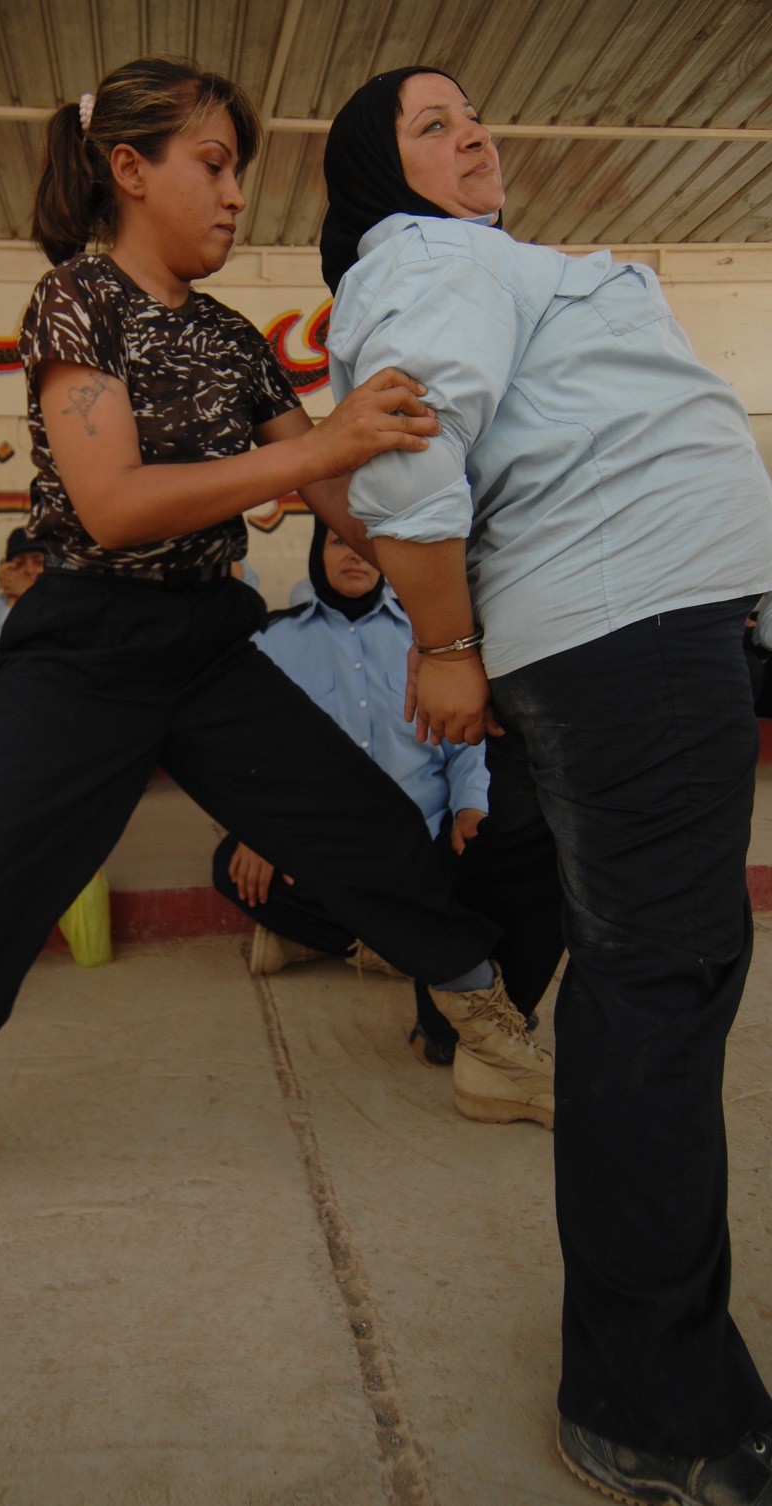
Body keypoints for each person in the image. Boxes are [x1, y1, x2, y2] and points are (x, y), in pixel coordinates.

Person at [0, 57, 554, 1279]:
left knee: (362, 829)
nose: (239, 193)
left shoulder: (236, 341)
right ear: (128, 171)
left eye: (238, 167)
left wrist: (464, 623)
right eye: (215, 163)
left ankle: (491, 1040)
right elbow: (114, 502)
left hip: (204, 639)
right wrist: (329, 445)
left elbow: (341, 501)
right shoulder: (74, 300)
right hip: (81, 648)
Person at [320, 65, 772, 1506]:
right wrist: (444, 642)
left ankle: (650, 1374)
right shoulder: (426, 256)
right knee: (659, 985)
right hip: (620, 636)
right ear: (378, 175)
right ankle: (649, 1402)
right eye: (433, 123)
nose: (475, 135)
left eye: (475, 115)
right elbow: (403, 453)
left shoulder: (480, 259)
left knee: (667, 978)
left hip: (649, 625)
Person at [213, 518, 562, 1065]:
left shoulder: (430, 643)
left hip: (422, 843)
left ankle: (344, 941)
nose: (356, 558)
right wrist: (258, 831)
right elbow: (254, 752)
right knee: (230, 865)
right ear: (316, 554)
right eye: (338, 543)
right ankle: (408, 948)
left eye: (366, 548)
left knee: (487, 865)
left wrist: (472, 806)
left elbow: (465, 745)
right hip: (327, 851)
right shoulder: (274, 642)